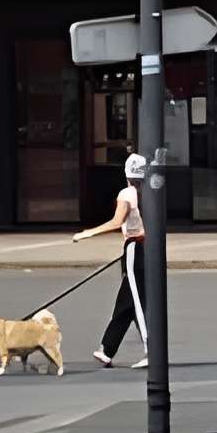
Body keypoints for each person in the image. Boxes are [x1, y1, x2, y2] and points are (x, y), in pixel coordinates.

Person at [66, 153, 150, 368]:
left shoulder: (127, 193)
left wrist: (88, 233)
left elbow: (116, 221)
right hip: (146, 249)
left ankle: (153, 351)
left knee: (138, 302)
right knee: (127, 300)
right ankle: (107, 348)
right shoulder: (150, 192)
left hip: (135, 247)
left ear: (127, 173)